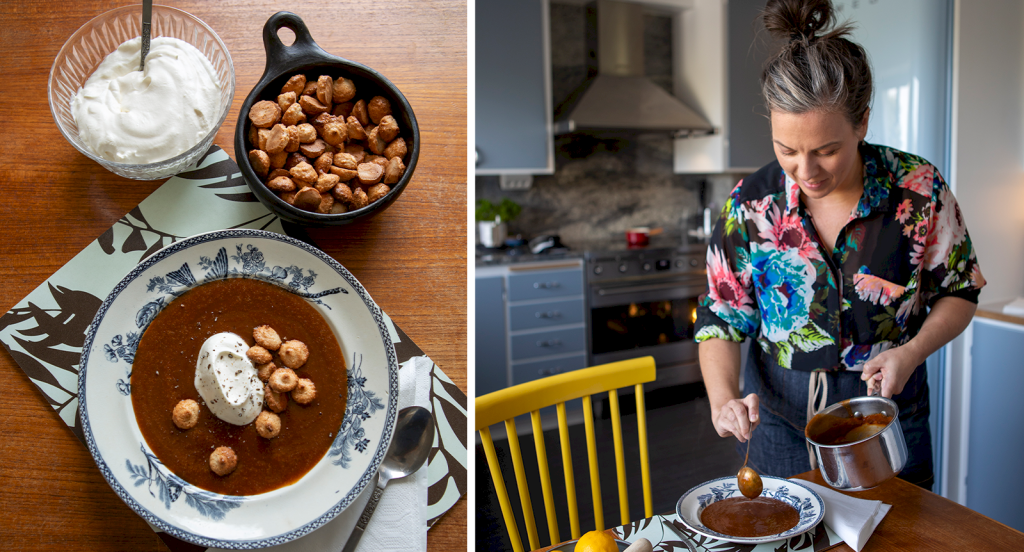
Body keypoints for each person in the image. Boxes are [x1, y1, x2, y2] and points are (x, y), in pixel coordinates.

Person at [694, 0, 985, 491]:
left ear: (862, 123)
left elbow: (960, 291)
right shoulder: (751, 204)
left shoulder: (918, 189)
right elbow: (721, 318)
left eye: (826, 150)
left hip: (886, 415)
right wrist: (723, 397)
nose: (806, 172)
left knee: (902, 537)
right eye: (787, 150)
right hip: (780, 421)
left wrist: (911, 352)